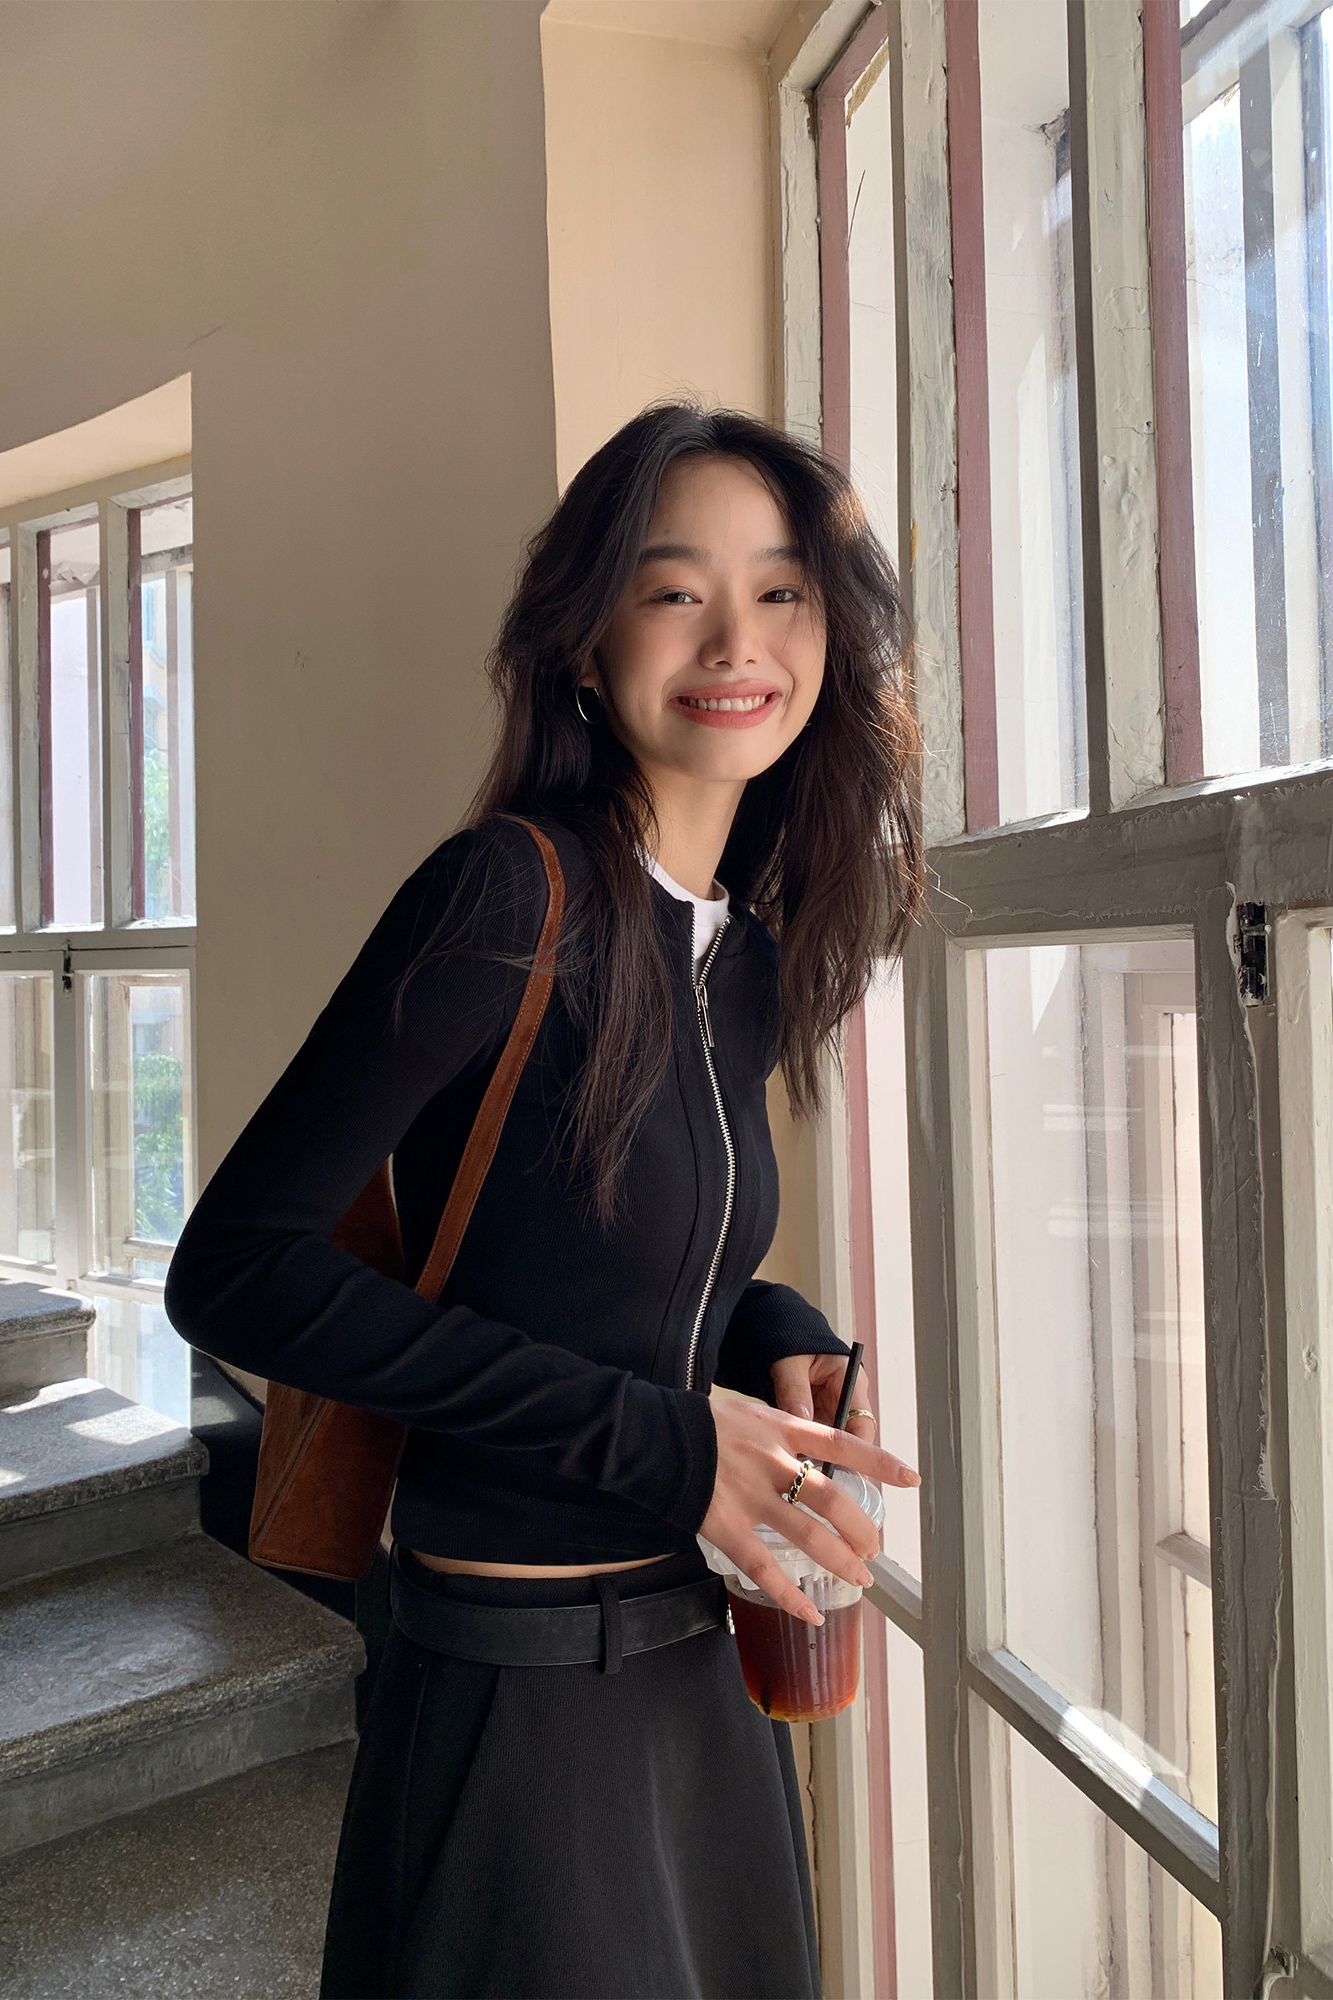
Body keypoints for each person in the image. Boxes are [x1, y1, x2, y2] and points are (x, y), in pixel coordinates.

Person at [164, 402, 924, 2000]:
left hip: (699, 1671)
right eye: (675, 590)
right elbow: (234, 1270)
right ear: (586, 641)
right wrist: (665, 1442)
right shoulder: (507, 894)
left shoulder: (743, 949)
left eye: (782, 591)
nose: (737, 639)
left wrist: (770, 1330)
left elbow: (608, 1268)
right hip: (522, 1691)